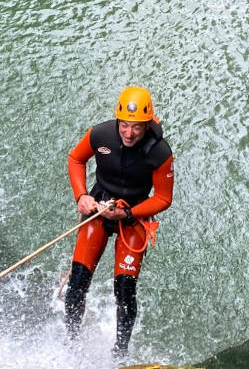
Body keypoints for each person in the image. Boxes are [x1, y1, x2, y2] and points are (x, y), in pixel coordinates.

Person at [64, 86, 174, 356]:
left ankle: (120, 353)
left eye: (136, 127)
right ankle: (70, 340)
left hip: (133, 215)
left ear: (147, 124)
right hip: (99, 208)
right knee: (77, 282)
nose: (128, 133)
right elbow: (75, 159)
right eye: (124, 125)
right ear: (117, 121)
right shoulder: (100, 134)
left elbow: (162, 198)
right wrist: (81, 196)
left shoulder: (160, 153)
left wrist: (127, 214)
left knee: (125, 291)